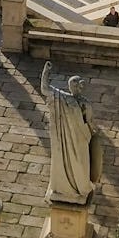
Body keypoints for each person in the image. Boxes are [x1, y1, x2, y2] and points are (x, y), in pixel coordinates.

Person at [41, 61, 98, 203]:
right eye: (74, 85)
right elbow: (44, 88)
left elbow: (89, 124)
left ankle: (80, 189)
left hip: (79, 140)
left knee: (80, 165)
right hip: (67, 140)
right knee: (71, 164)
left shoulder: (82, 103)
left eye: (77, 86)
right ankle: (65, 189)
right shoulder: (64, 98)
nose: (75, 88)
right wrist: (45, 72)